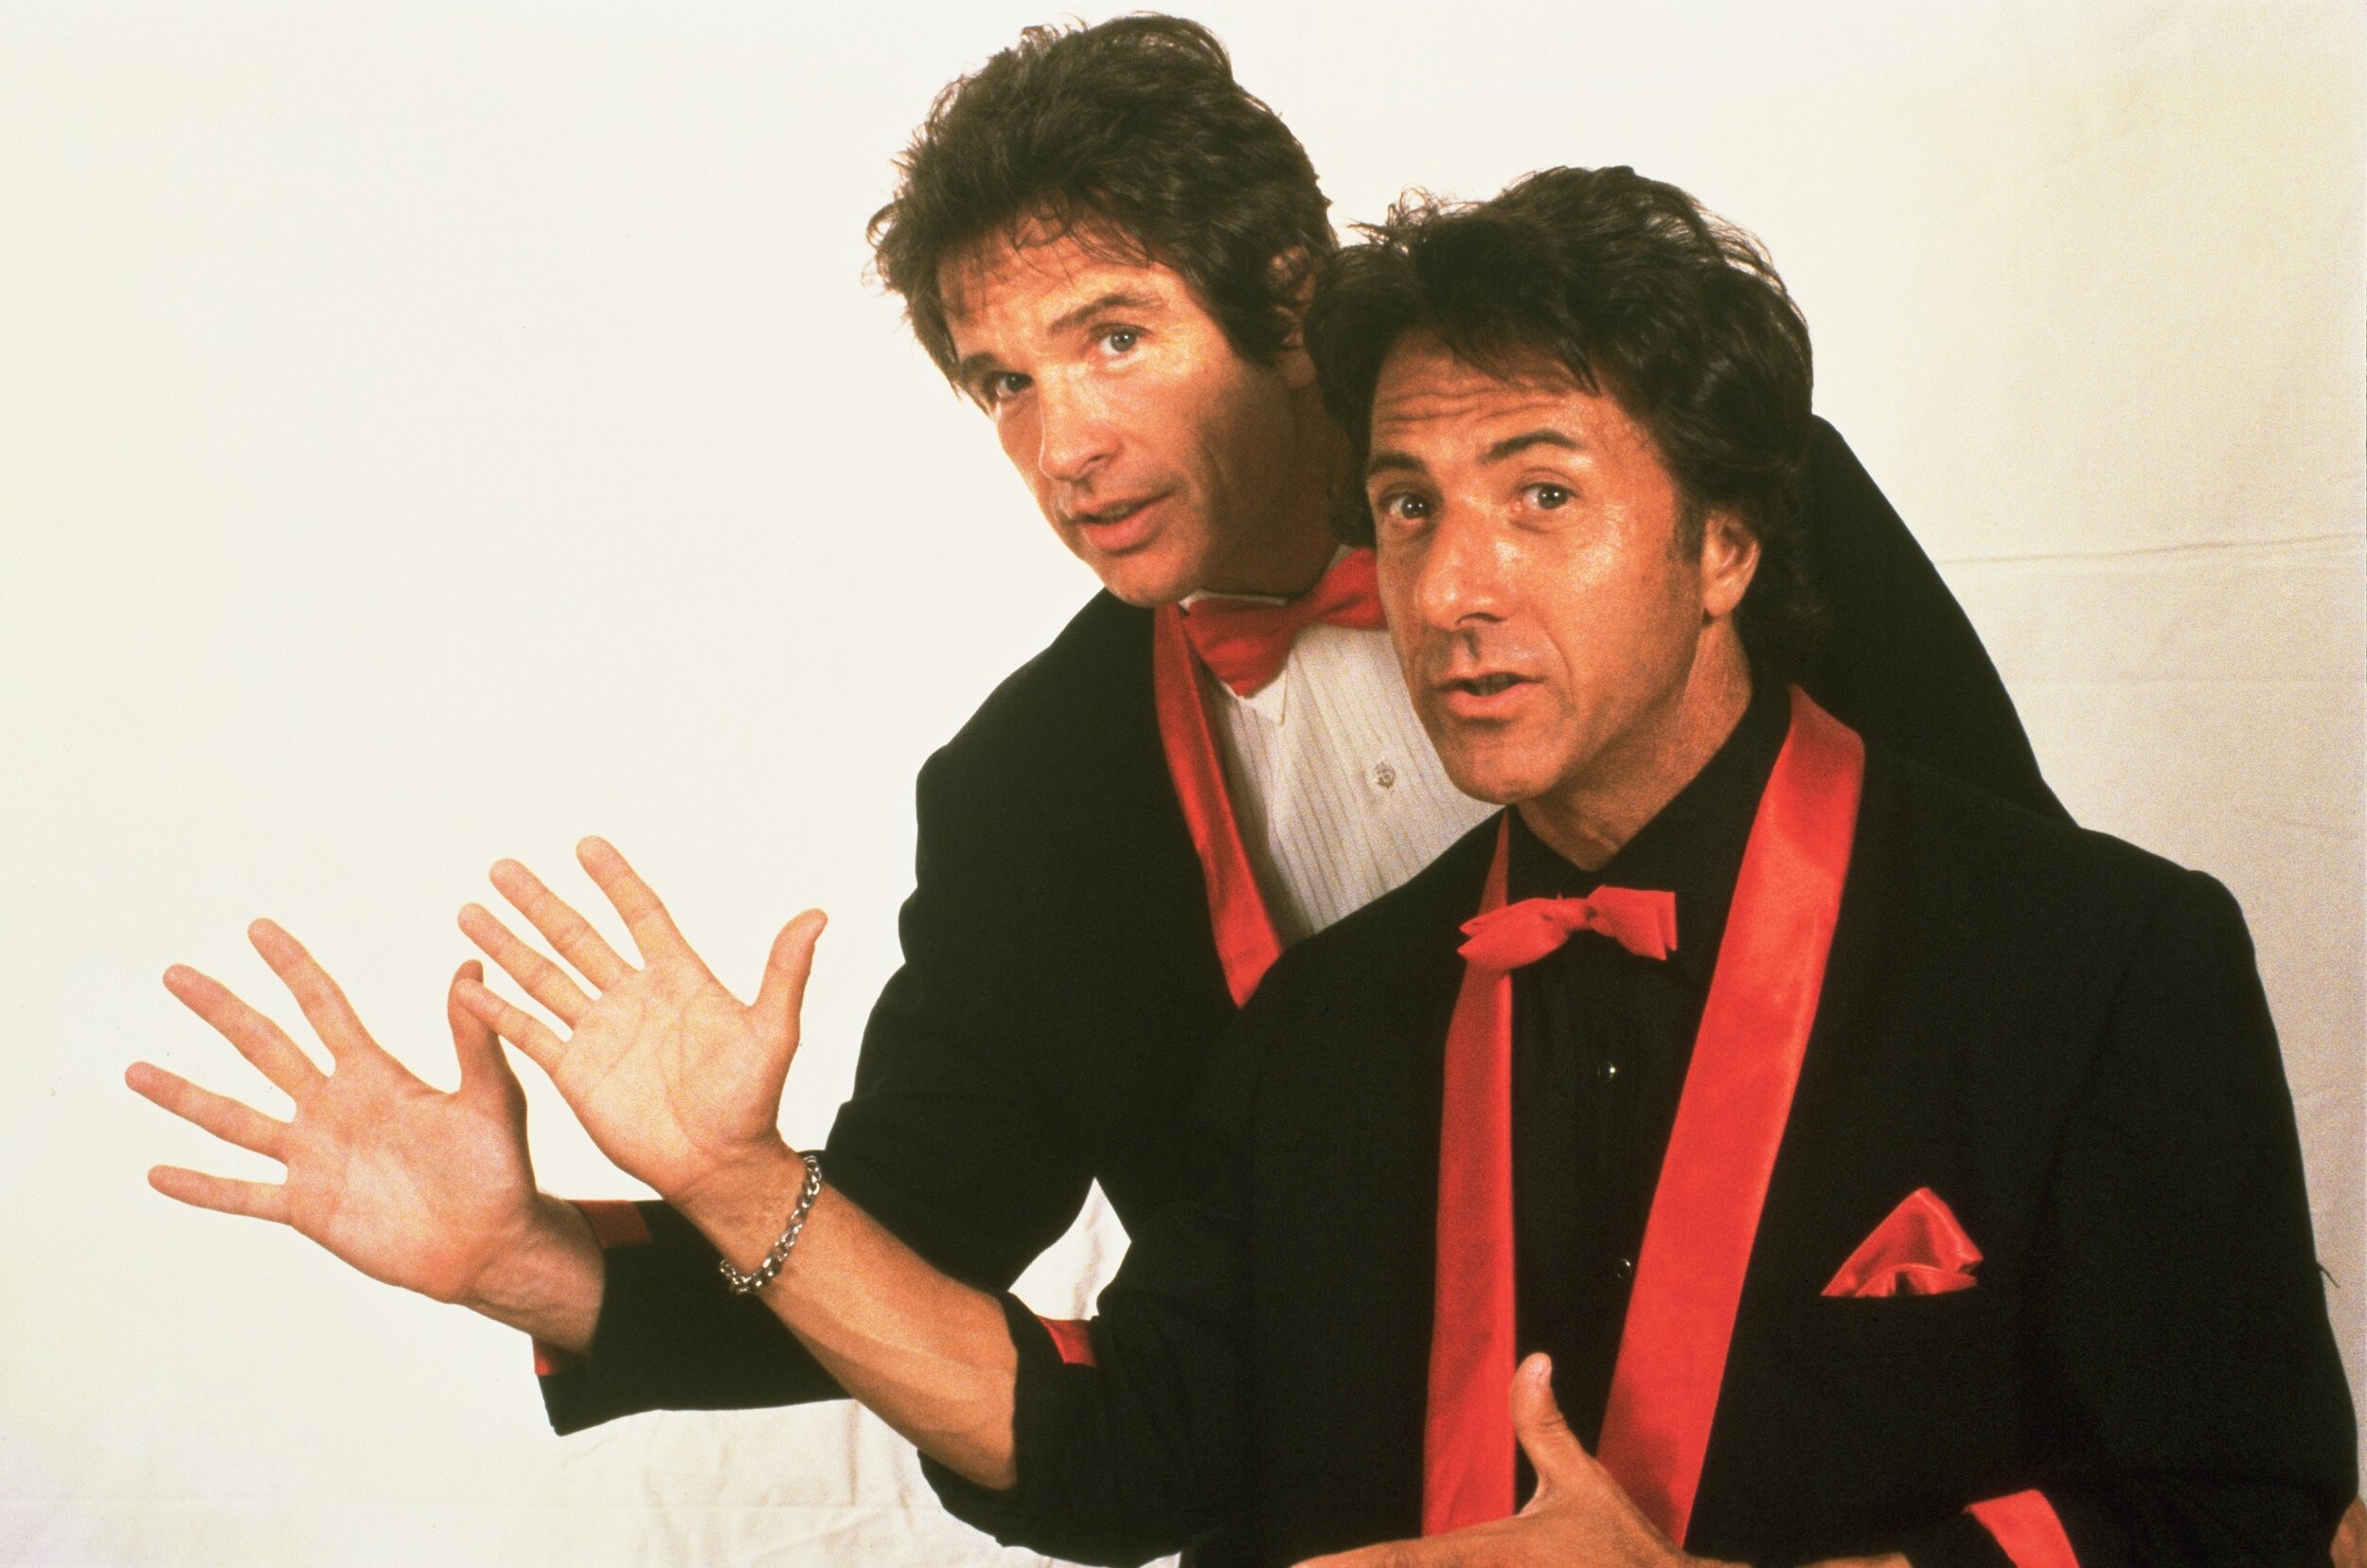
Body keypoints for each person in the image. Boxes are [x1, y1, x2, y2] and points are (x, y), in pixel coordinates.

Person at [127, 16, 2064, 1559]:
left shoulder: (1682, 495)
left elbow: (2025, 985)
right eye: (1003, 384)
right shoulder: (1033, 793)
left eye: (1110, 338)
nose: (1062, 446)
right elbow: (902, 1248)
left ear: (1287, 297)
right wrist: (530, 1258)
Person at [429, 165, 2354, 1567]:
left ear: (1729, 548)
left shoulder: (2089, 958)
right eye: (1410, 509)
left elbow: (2234, 1491)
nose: (1452, 590)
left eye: (1542, 496)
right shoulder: (1277, 991)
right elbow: (1094, 1401)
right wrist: (682, 1192)